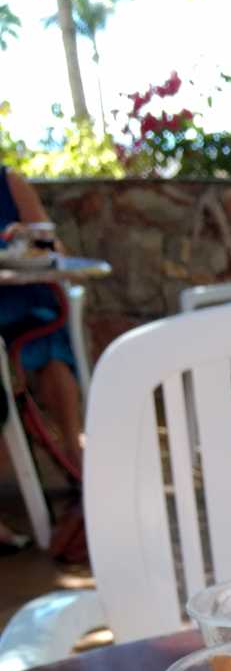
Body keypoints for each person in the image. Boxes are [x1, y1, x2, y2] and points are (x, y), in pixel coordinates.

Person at [0, 165, 84, 464]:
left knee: (49, 345)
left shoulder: (9, 183)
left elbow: (52, 248)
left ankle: (74, 452)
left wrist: (29, 240)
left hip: (25, 302)